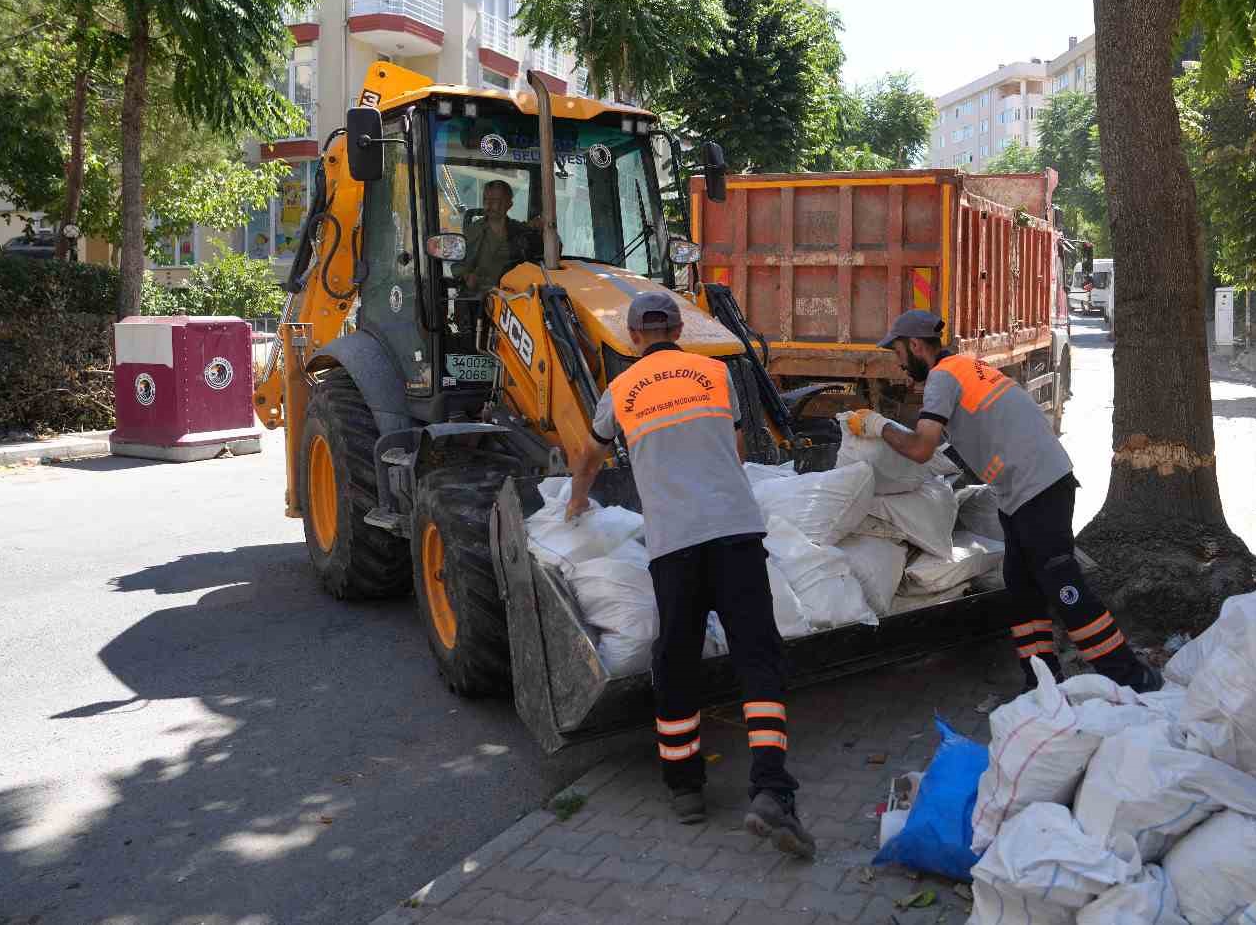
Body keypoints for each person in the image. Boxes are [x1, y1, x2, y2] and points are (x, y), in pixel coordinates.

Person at [565, 291, 816, 858]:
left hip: (674, 546)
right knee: (759, 655)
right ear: (680, 327)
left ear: (632, 337)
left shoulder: (619, 391)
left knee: (674, 661)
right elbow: (735, 443)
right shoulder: (715, 375)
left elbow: (589, 452)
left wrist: (577, 500)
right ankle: (772, 788)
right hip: (735, 532)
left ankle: (685, 790)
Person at [849, 309, 1162, 694]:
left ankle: (1134, 679)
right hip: (1026, 488)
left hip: (1037, 487)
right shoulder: (966, 367)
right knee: (1022, 589)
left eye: (897, 351)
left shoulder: (941, 378)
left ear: (915, 345)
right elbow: (982, 428)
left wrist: (877, 425)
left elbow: (920, 447)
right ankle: (1041, 684)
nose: (897, 362)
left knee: (1063, 585)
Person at [461, 179, 543, 293]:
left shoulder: (521, 231)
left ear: (509, 205)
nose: (489, 205)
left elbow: (550, 253)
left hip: (515, 295)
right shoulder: (472, 231)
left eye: (495, 200)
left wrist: (545, 228)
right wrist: (467, 276)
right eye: (485, 200)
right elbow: (459, 264)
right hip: (480, 296)